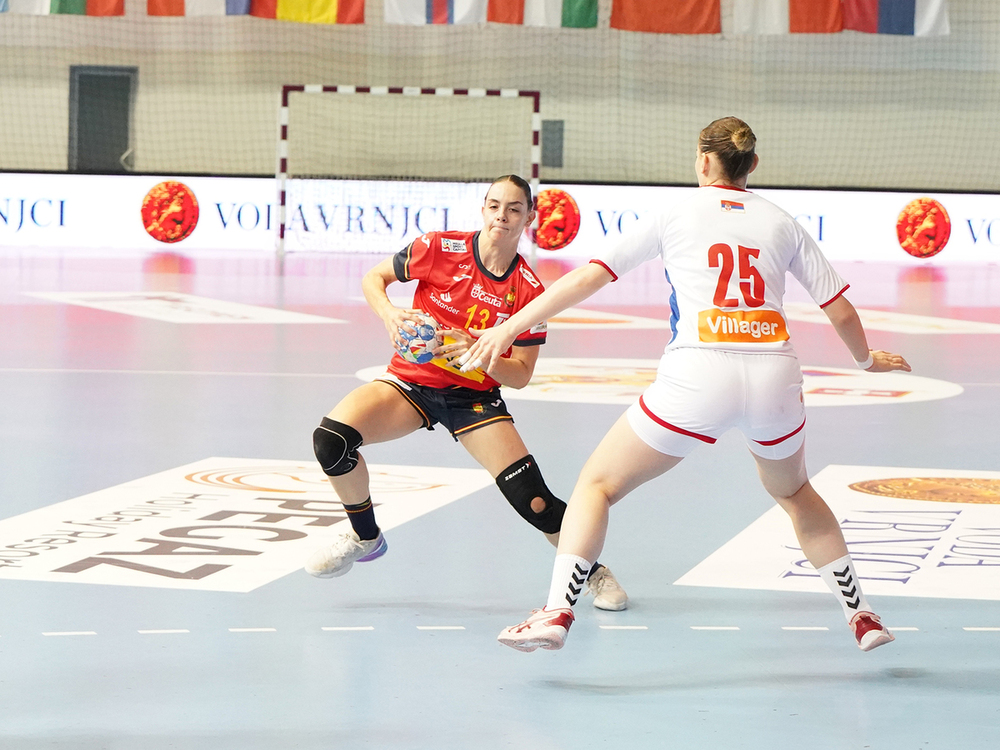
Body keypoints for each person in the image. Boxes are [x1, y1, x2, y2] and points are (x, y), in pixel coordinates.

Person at [460, 120, 911, 653]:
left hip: (699, 374)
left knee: (596, 487)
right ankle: (862, 617)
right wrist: (865, 361)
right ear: (752, 168)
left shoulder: (675, 213)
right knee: (793, 492)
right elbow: (839, 310)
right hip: (774, 374)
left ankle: (557, 613)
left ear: (702, 162)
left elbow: (587, 278)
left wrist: (508, 327)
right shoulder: (783, 221)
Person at [304, 174, 628, 612]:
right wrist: (390, 315)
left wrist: (481, 350)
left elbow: (521, 376)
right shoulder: (439, 248)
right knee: (332, 441)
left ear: (529, 218)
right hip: (410, 384)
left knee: (534, 500)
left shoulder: (530, 293)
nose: (503, 216)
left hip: (473, 399)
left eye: (514, 208)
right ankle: (365, 536)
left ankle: (594, 572)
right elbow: (374, 279)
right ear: (483, 209)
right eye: (495, 205)